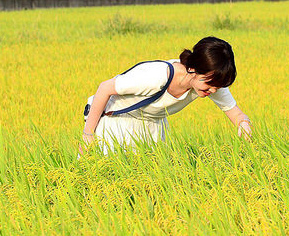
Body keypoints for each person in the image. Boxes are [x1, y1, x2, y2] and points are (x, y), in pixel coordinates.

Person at [81, 36, 251, 154]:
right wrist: (88, 136)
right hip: (115, 121)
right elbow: (104, 88)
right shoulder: (157, 76)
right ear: (192, 69)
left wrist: (243, 124)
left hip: (152, 127)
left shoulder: (211, 82)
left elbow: (236, 114)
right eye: (209, 83)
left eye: (218, 86)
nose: (213, 90)